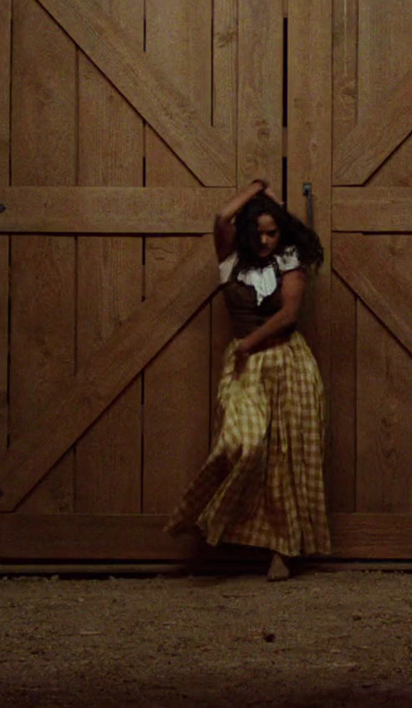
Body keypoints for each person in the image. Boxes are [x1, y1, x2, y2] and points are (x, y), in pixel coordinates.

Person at [165, 179, 332, 581]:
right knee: (244, 443)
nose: (264, 240)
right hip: (246, 368)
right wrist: (257, 190)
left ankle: (283, 552)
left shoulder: (289, 260)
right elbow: (222, 217)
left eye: (272, 232)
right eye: (257, 232)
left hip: (288, 362)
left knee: (288, 459)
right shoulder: (230, 258)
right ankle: (208, 533)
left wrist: (248, 343)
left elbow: (288, 315)